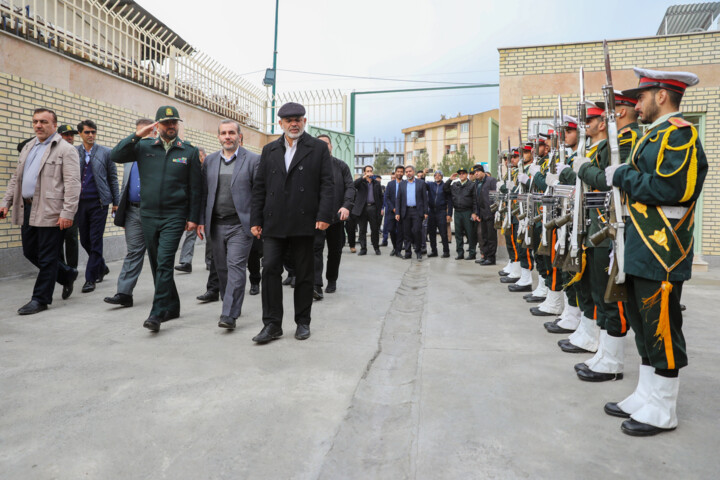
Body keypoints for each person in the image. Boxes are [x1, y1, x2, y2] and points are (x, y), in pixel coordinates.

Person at [603, 68, 707, 436]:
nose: (638, 104)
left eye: (643, 96)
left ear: (662, 95)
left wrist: (621, 176)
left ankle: (664, 408)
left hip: (662, 249)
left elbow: (672, 189)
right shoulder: (654, 136)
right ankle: (646, 395)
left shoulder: (680, 135)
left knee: (662, 327)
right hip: (639, 245)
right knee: (643, 325)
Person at [111, 105, 202, 332]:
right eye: (166, 123)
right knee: (155, 263)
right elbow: (116, 155)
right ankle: (173, 306)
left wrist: (193, 217)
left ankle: (157, 312)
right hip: (148, 215)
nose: (171, 126)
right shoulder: (143, 147)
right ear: (157, 125)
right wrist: (137, 135)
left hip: (175, 215)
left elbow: (195, 188)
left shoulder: (188, 151)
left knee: (164, 262)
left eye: (174, 123)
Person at [250, 102, 334, 343]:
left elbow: (327, 185)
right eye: (289, 120)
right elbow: (260, 187)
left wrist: (323, 215)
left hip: (305, 222)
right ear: (281, 124)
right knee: (271, 271)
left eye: (298, 119)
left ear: (304, 122)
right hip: (274, 223)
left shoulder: (317, 148)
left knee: (304, 275)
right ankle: (272, 324)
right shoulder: (269, 150)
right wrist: (256, 219)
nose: (294, 124)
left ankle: (303, 322)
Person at [1, 108, 80, 314]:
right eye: (35, 121)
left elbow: (73, 184)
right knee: (30, 251)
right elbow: (16, 179)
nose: (38, 125)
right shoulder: (29, 146)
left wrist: (67, 213)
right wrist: (5, 202)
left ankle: (40, 299)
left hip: (51, 210)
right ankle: (66, 274)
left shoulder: (66, 149)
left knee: (47, 256)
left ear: (54, 125)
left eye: (44, 122)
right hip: (27, 207)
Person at [196, 120, 259, 330]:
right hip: (216, 224)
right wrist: (201, 221)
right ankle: (231, 304)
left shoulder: (252, 160)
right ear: (218, 137)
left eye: (231, 132)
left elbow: (259, 195)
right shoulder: (210, 161)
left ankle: (228, 314)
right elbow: (204, 193)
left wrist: (258, 222)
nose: (227, 136)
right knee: (221, 269)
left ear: (239, 136)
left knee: (235, 268)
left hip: (241, 225)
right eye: (223, 133)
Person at [104, 118, 154, 308]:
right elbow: (116, 157)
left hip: (153, 212)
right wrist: (121, 210)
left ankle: (164, 295)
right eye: (138, 133)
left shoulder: (158, 154)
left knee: (158, 256)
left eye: (146, 133)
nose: (141, 137)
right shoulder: (129, 157)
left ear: (154, 133)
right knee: (133, 252)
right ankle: (124, 293)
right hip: (133, 211)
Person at [75, 119, 119, 293]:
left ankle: (90, 278)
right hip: (79, 202)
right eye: (87, 132)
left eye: (93, 132)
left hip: (99, 202)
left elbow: (113, 178)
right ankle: (101, 265)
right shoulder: (73, 152)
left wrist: (116, 202)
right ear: (80, 134)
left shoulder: (106, 152)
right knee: (85, 239)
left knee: (95, 239)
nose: (91, 135)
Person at [313, 134, 355, 299]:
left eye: (326, 144)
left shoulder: (341, 166)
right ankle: (316, 285)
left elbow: (350, 187)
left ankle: (332, 279)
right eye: (320, 144)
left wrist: (346, 206)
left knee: (335, 251)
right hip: (315, 219)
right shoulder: (310, 166)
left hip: (336, 218)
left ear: (331, 146)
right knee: (315, 251)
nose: (324, 147)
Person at [175, 146, 208, 273]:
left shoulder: (209, 168)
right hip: (194, 206)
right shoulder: (189, 169)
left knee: (211, 236)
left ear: (204, 156)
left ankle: (210, 261)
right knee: (190, 233)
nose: (198, 159)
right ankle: (186, 262)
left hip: (207, 206)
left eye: (199, 156)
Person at [57, 124, 80, 271]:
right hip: (53, 204)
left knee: (71, 238)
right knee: (56, 240)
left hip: (71, 203)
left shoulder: (75, 152)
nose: (69, 137)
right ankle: (62, 270)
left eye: (71, 135)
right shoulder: (49, 151)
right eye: (66, 134)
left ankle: (72, 269)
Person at [396, 165, 428, 260]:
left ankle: (418, 252)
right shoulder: (402, 184)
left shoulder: (421, 183)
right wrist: (397, 212)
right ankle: (408, 252)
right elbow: (398, 199)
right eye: (406, 172)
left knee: (417, 231)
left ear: (413, 172)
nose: (408, 173)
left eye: (410, 171)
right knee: (406, 233)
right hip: (405, 211)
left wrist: (426, 212)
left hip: (417, 211)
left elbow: (425, 199)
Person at [444, 168, 477, 260]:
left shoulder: (471, 185)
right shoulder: (455, 184)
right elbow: (445, 189)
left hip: (468, 211)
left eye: (463, 173)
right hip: (458, 212)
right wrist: (450, 179)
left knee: (470, 233)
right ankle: (460, 253)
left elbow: (475, 200)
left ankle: (472, 252)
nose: (461, 175)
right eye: (460, 174)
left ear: (466, 175)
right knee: (458, 234)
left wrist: (474, 212)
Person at [351, 165, 383, 256]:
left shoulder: (376, 183)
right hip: (362, 208)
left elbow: (380, 197)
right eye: (367, 171)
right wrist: (362, 178)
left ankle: (376, 248)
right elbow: (353, 185)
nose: (369, 172)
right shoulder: (361, 182)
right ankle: (363, 248)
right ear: (364, 172)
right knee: (362, 230)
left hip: (373, 208)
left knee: (375, 229)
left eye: (371, 171)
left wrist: (380, 208)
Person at [471, 164, 498, 265]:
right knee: (484, 236)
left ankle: (491, 258)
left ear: (483, 172)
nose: (476, 173)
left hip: (490, 213)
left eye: (478, 171)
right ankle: (485, 256)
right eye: (474, 172)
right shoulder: (477, 183)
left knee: (491, 237)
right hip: (482, 214)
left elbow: (495, 197)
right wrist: (476, 212)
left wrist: (495, 211)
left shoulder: (491, 181)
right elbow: (476, 199)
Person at [425, 170, 451, 257]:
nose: (437, 176)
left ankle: (446, 251)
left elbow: (450, 201)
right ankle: (434, 251)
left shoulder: (445, 186)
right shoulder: (430, 185)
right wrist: (423, 175)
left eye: (439, 175)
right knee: (432, 233)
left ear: (442, 177)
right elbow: (422, 183)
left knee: (443, 233)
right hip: (431, 212)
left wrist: (449, 214)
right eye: (435, 175)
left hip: (441, 212)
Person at [384, 165, 405, 257]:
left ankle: (399, 250)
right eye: (398, 171)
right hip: (391, 212)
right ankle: (395, 247)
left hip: (402, 212)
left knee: (400, 231)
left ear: (403, 173)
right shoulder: (390, 184)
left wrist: (400, 209)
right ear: (395, 172)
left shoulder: (406, 183)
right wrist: (393, 208)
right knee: (391, 230)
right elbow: (387, 198)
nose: (399, 173)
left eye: (401, 171)